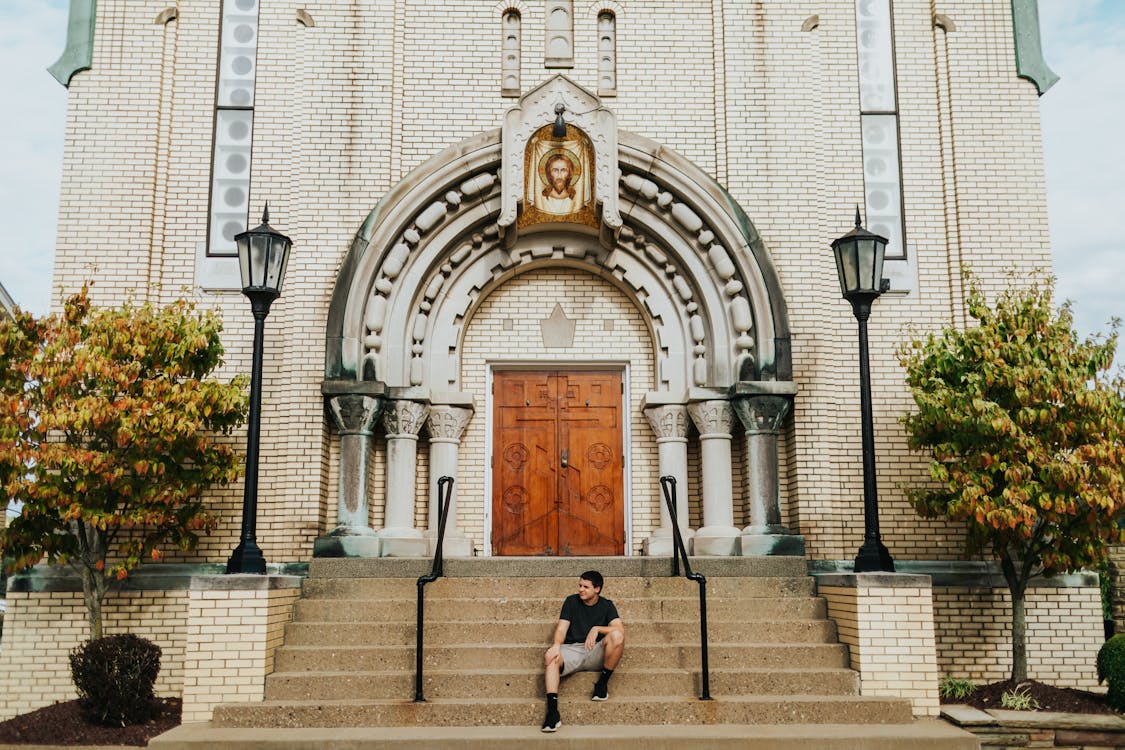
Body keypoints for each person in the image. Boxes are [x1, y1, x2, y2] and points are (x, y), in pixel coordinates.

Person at [541, 570, 625, 732]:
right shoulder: (571, 601)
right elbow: (562, 628)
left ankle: (601, 685)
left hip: (595, 651)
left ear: (597, 589)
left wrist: (596, 629)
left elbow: (620, 629)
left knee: (616, 636)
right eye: (580, 585)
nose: (581, 589)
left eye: (586, 587)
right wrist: (557, 645)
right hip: (572, 651)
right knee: (550, 657)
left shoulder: (607, 605)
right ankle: (552, 713)